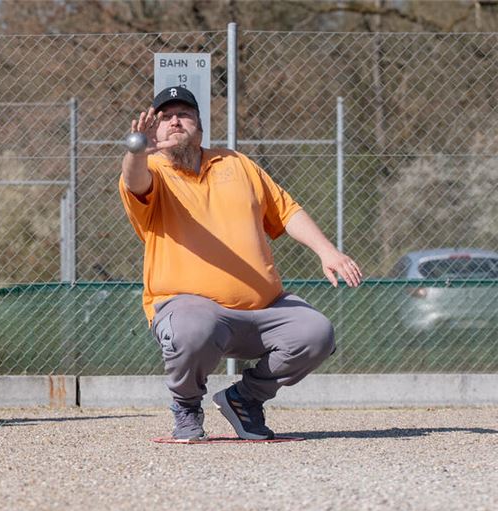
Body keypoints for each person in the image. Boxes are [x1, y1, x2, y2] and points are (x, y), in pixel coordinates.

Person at [119, 86, 363, 442]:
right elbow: (134, 181)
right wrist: (135, 150)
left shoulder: (237, 163)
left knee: (315, 333)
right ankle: (186, 406)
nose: (175, 120)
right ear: (154, 132)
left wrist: (328, 251)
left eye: (184, 113)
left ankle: (244, 400)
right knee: (193, 329)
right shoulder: (152, 170)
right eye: (165, 116)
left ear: (199, 127)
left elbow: (287, 211)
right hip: (190, 309)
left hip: (262, 309)